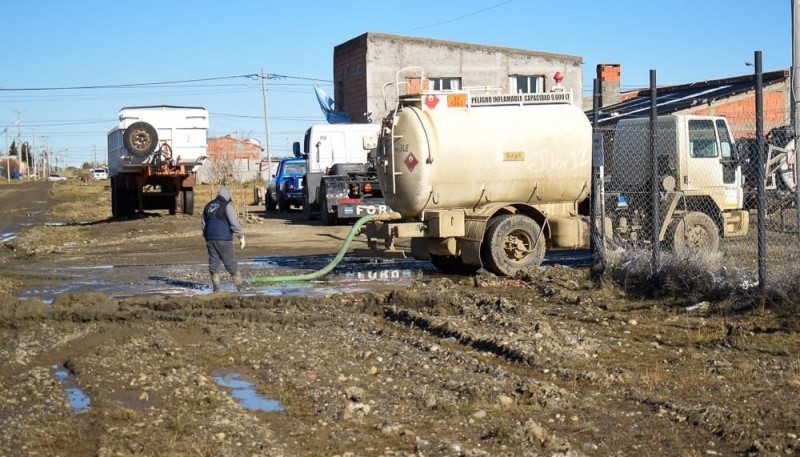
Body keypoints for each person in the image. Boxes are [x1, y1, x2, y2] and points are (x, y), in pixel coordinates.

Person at [201, 186, 246, 292]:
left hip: (210, 238)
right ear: (227, 197)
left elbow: (203, 224)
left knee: (214, 263)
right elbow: (234, 223)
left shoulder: (208, 206)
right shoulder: (226, 206)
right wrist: (241, 236)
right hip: (224, 239)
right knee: (230, 262)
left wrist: (206, 236)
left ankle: (216, 288)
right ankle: (240, 286)